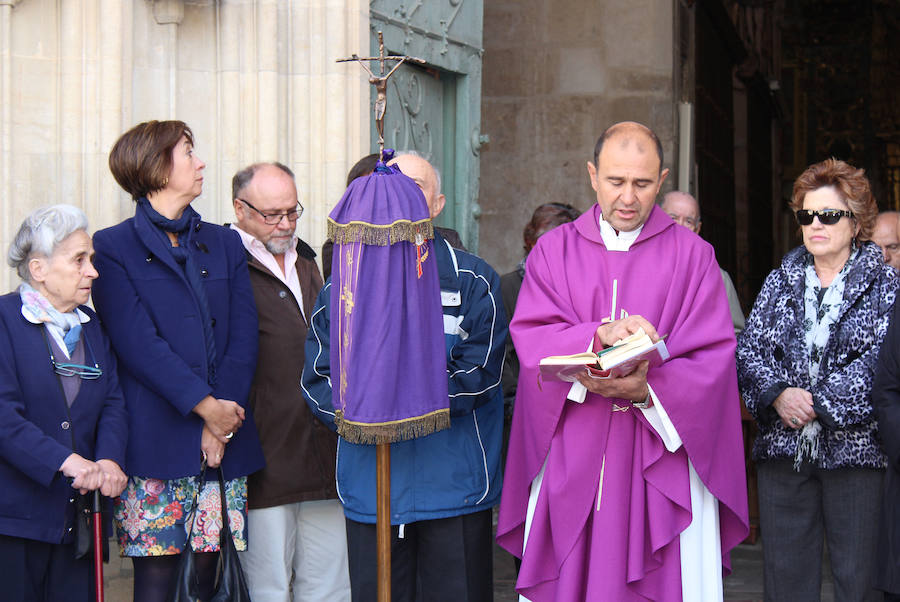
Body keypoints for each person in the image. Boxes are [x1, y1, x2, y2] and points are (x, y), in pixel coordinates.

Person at [497, 121, 749, 601]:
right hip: (575, 447)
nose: (628, 197)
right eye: (616, 181)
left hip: (660, 455)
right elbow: (531, 336)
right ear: (593, 175)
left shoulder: (694, 257)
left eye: (643, 183)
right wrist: (596, 336)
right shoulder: (554, 251)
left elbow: (715, 358)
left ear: (663, 178)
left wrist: (651, 388)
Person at [301, 153, 507, 602]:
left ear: (437, 204)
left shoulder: (473, 280)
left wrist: (396, 400)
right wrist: (364, 409)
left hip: (454, 487)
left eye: (416, 187)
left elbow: (481, 374)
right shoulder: (340, 289)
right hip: (371, 488)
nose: (402, 198)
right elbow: (318, 380)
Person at [91, 120, 265, 602]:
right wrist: (204, 407)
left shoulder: (224, 241)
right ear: (156, 166)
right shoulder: (111, 247)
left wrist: (220, 419)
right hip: (155, 441)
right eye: (189, 152)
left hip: (221, 442)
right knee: (157, 584)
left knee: (207, 581)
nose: (201, 161)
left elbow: (244, 335)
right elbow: (137, 344)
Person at [737, 158, 897, 600]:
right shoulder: (779, 280)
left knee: (858, 578)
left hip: (857, 454)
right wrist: (778, 395)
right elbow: (750, 350)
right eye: (807, 215)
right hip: (784, 449)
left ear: (857, 221)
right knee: (785, 578)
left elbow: (881, 362)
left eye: (828, 215)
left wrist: (815, 404)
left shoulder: (886, 284)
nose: (815, 225)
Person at [230, 162, 350, 601]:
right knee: (267, 586)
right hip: (264, 451)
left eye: (292, 211)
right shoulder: (226, 260)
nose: (285, 223)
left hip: (323, 448)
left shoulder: (307, 258)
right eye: (272, 214)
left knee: (331, 585)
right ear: (240, 209)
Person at [0, 205, 128, 601]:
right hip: (15, 521)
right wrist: (63, 460)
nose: (92, 271)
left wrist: (108, 459)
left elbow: (113, 401)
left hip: (80, 517)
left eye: (90, 259)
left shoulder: (93, 325)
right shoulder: (3, 320)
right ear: (38, 269)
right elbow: (3, 415)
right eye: (79, 260)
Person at [500, 203, 581, 458]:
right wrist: (515, 403)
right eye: (544, 241)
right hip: (521, 411)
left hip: (574, 409)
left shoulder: (580, 292)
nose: (551, 252)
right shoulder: (507, 286)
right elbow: (501, 355)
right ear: (529, 240)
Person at [661, 190, 745, 335]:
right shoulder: (639, 265)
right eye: (672, 218)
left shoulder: (716, 276)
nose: (680, 226)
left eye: (688, 221)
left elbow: (735, 333)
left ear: (697, 228)